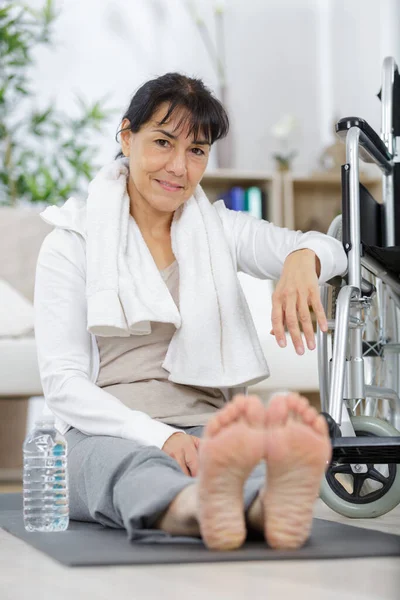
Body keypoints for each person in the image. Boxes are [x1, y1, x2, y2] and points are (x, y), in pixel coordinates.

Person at [34, 73, 347, 551]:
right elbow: (63, 385)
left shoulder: (218, 229)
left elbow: (331, 248)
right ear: (126, 136)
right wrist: (159, 437)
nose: (178, 167)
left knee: (235, 456)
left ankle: (255, 503)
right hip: (106, 431)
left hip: (207, 426)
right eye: (163, 142)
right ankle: (202, 507)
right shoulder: (71, 240)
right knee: (130, 469)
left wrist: (304, 261)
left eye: (196, 151)